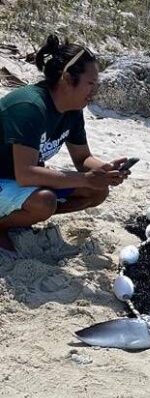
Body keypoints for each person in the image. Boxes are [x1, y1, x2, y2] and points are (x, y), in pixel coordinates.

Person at [0, 35, 129, 253]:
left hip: (14, 179)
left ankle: (16, 218)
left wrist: (104, 171)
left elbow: (82, 159)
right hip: (11, 177)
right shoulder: (30, 106)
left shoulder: (72, 110)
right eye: (90, 84)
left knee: (97, 192)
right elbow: (26, 173)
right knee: (44, 202)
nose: (94, 91)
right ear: (68, 79)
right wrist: (85, 178)